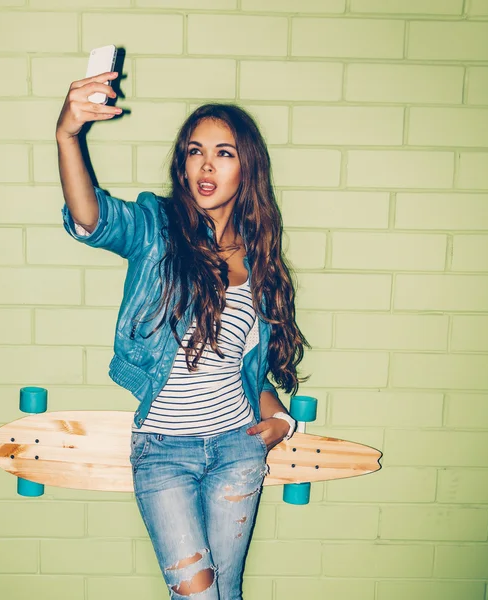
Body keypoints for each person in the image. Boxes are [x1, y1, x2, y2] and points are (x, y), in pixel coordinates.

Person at [56, 70, 310, 600]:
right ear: (183, 163)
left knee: (227, 593)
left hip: (236, 449)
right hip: (164, 452)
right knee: (198, 595)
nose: (207, 165)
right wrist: (69, 136)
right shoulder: (156, 229)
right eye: (196, 152)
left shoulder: (259, 263)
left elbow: (247, 372)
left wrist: (280, 418)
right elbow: (92, 219)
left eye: (224, 152)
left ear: (247, 168)